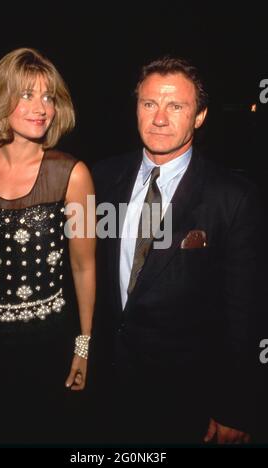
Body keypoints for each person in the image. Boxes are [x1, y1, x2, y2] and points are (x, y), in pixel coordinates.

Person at [92, 56, 262, 444]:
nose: (159, 118)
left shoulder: (234, 197)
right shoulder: (100, 179)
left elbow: (245, 312)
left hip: (185, 401)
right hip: (105, 393)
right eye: (149, 103)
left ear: (199, 116)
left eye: (176, 106)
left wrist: (235, 406)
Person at [0, 48, 96, 444]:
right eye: (26, 94)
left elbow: (84, 267)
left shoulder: (73, 174)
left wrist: (84, 347)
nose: (41, 107)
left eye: (48, 96)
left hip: (48, 346)